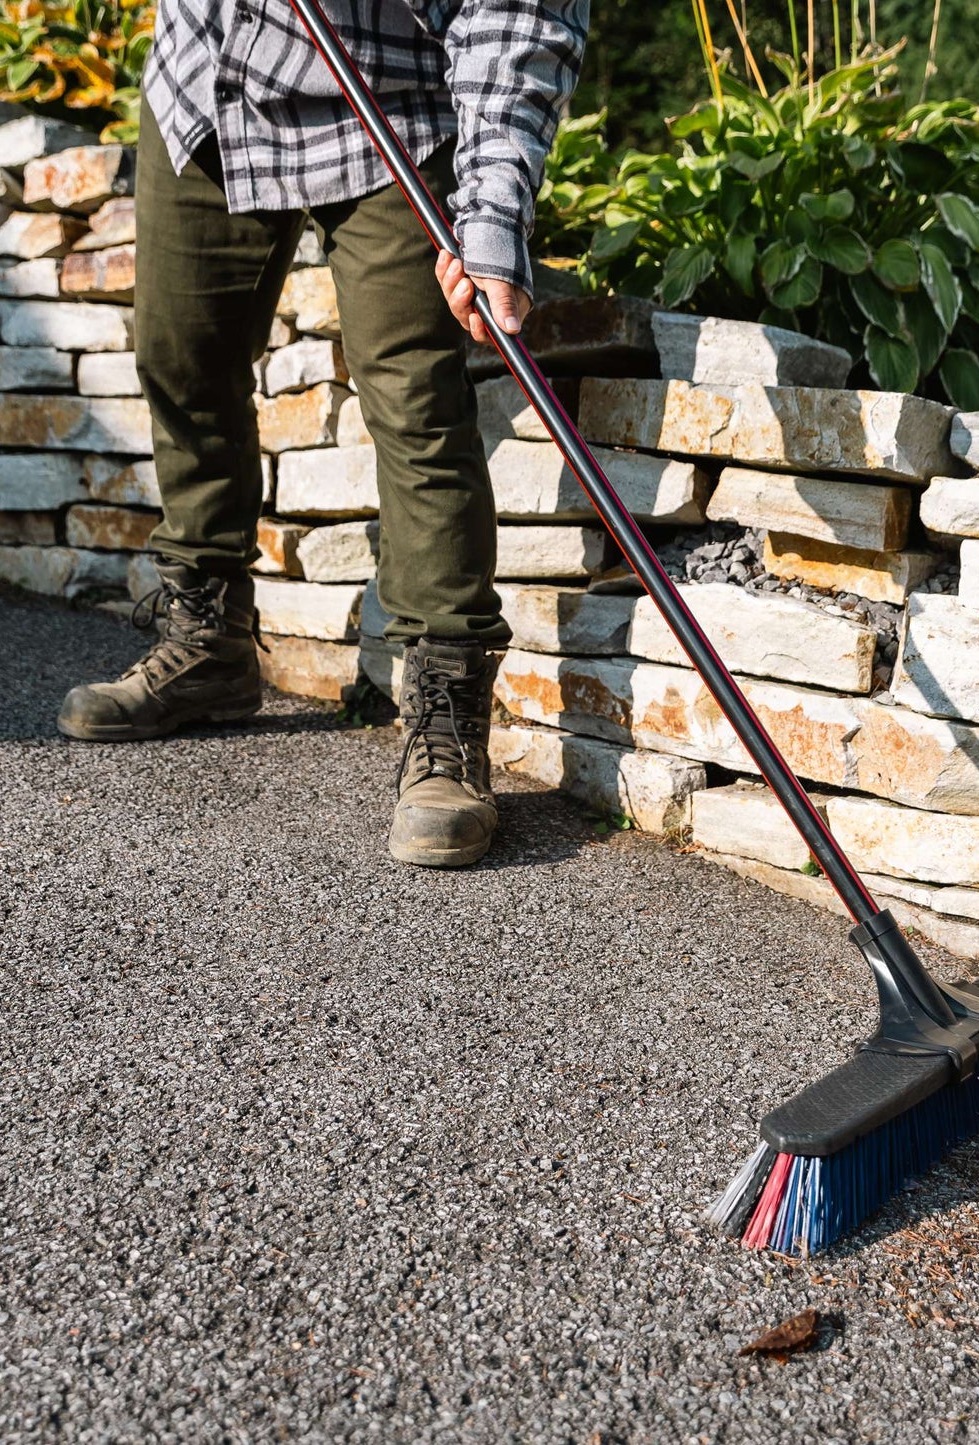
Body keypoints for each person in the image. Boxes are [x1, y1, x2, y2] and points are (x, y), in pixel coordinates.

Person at [56, 0, 589, 869]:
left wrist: (491, 219)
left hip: (393, 103)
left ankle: (448, 718)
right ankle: (210, 643)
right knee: (179, 356)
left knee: (415, 397)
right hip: (213, 78)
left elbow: (517, 21)